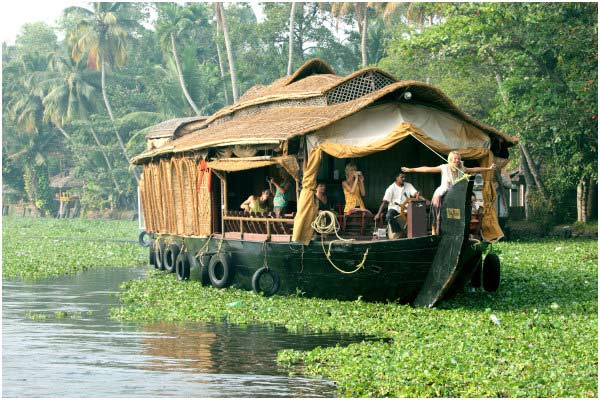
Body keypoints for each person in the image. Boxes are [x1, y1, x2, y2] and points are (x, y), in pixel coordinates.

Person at [402, 150, 495, 234]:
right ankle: (435, 230)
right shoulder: (444, 167)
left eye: (458, 159)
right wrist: (411, 169)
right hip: (443, 192)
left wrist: (488, 169)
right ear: (450, 159)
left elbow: (474, 169)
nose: (457, 161)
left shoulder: (462, 168)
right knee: (437, 207)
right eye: (455, 159)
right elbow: (427, 169)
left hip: (455, 194)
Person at [374, 172, 421, 239]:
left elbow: (415, 194)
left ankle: (416, 235)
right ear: (396, 178)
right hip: (394, 209)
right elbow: (384, 202)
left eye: (404, 177)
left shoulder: (408, 185)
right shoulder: (391, 188)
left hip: (406, 210)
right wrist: (378, 214)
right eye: (401, 177)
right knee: (388, 216)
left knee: (418, 214)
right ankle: (399, 233)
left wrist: (417, 195)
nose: (404, 179)